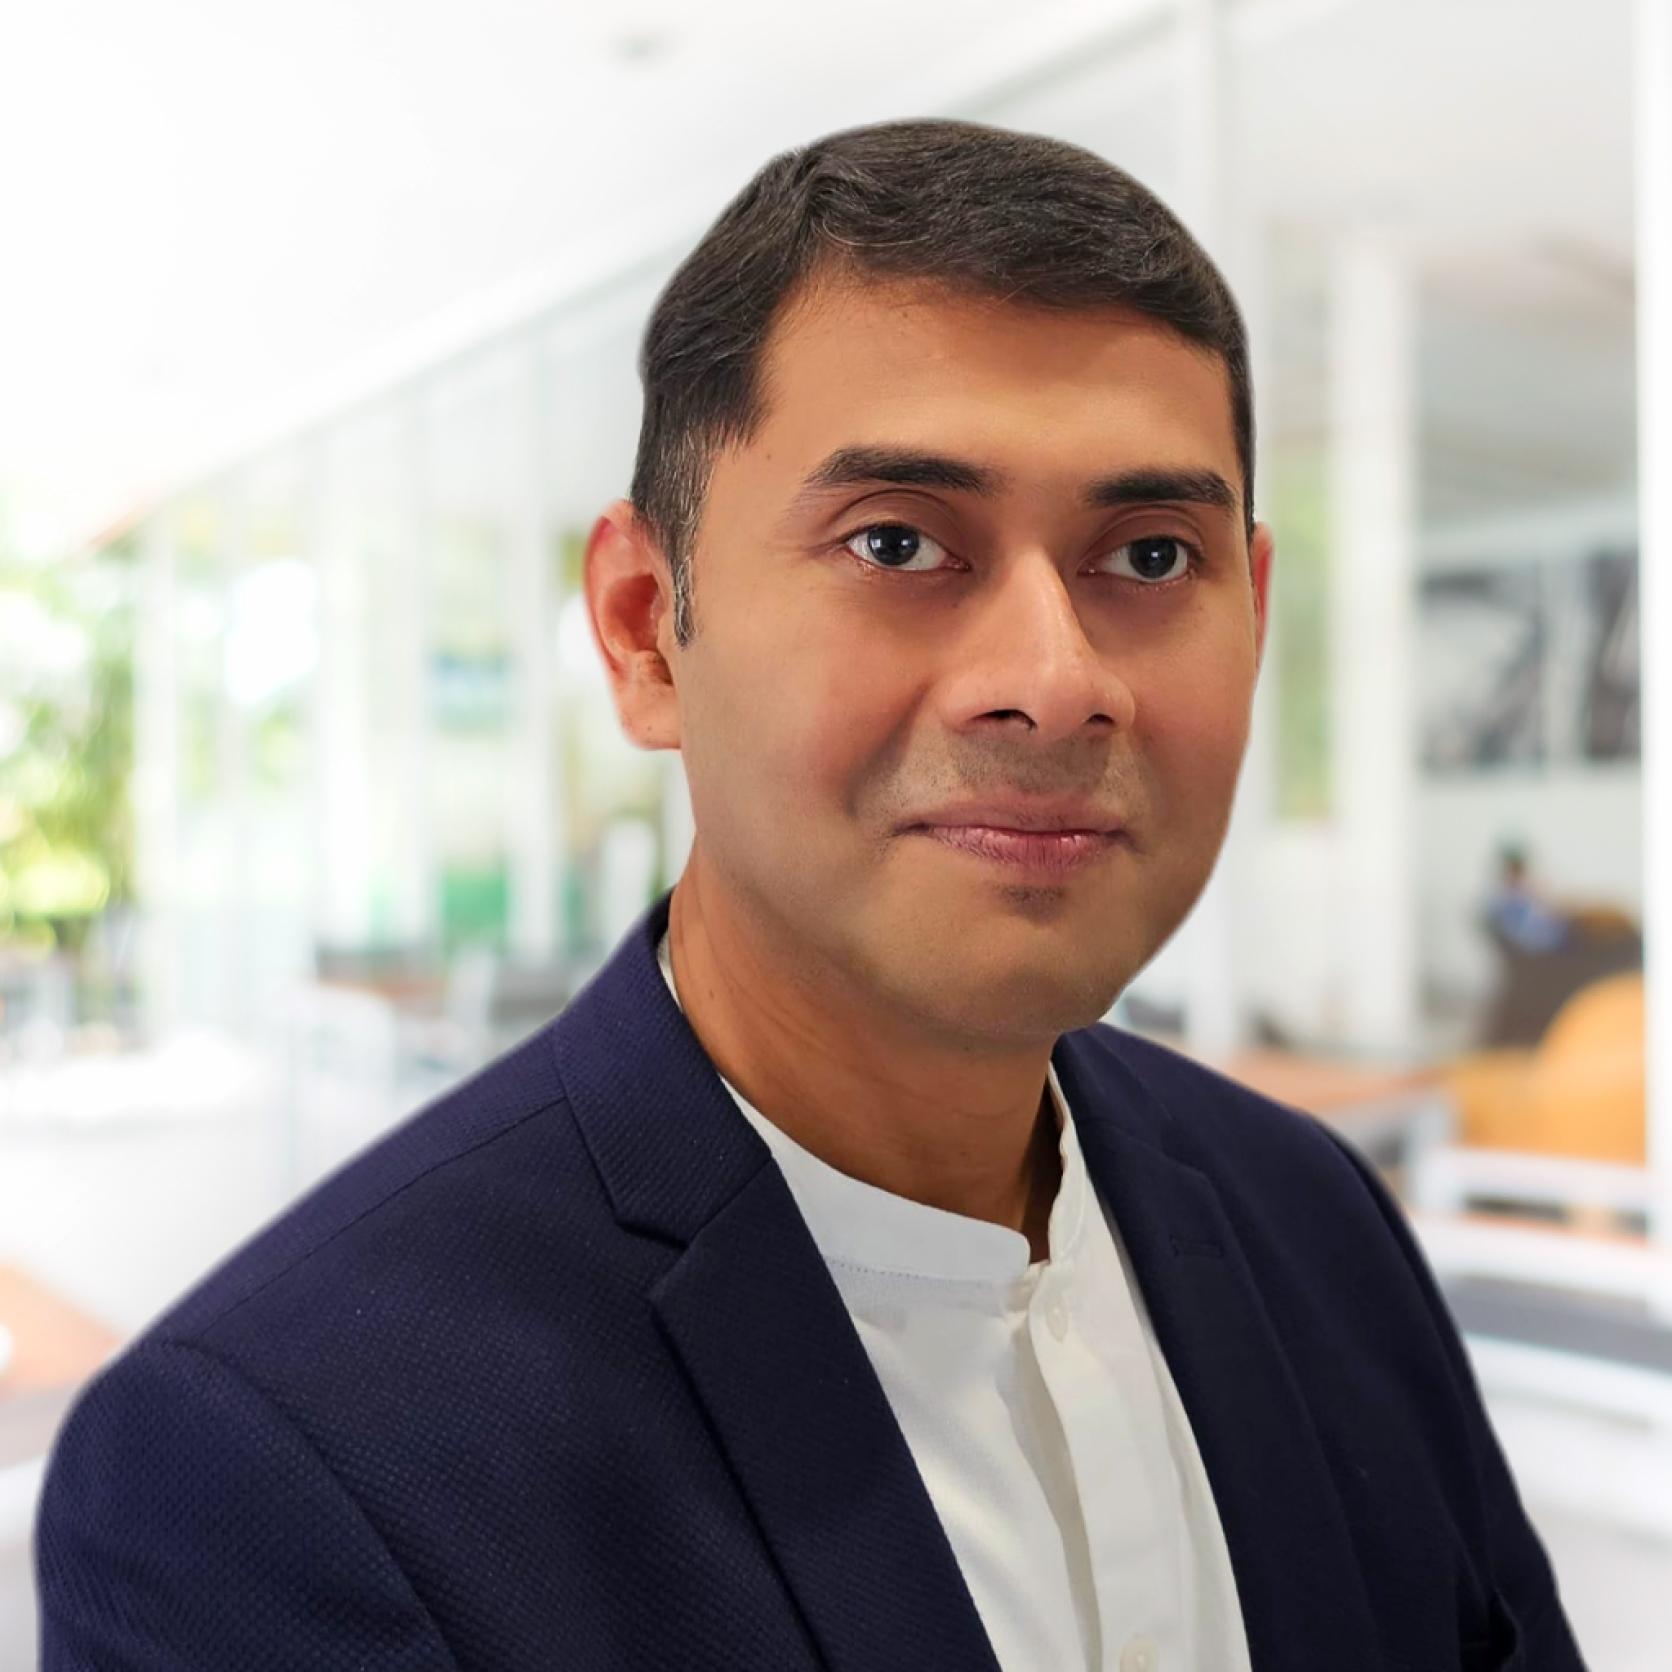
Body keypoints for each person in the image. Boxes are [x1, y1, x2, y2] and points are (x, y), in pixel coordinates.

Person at [36, 118, 1586, 1671]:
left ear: (1254, 612)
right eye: (898, 541)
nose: (1055, 682)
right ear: (645, 629)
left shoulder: (1312, 1221)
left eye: (1152, 557)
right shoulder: (283, 1470)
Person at [1485, 842, 1575, 954]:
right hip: (1525, 943)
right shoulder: (1500, 896)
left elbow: (1547, 912)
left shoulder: (1530, 889)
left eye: (1518, 867)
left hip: (1543, 938)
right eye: (1513, 867)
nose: (1516, 872)